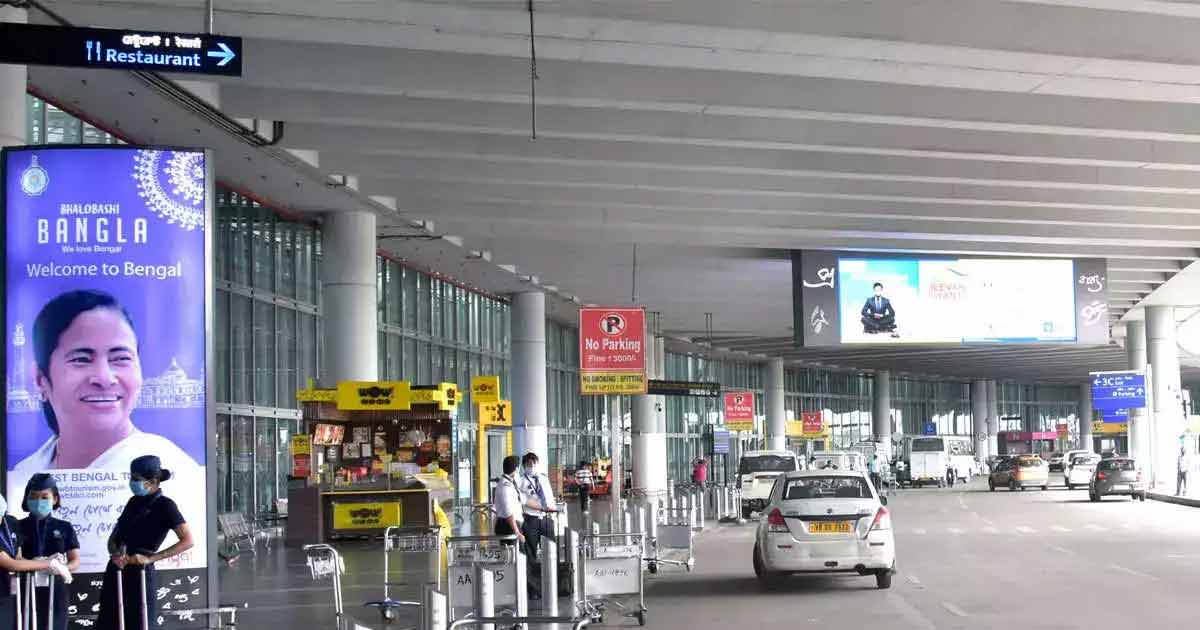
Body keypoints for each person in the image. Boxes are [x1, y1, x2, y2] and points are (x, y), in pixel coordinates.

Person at [98, 455, 194, 630]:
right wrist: (115, 552)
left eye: (137, 479)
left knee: (140, 621)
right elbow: (115, 535)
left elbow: (188, 540)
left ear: (154, 480)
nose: (132, 482)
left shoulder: (166, 505)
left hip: (140, 571)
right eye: (131, 478)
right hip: (117, 568)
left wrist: (151, 559)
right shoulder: (133, 502)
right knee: (109, 620)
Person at [19, 473, 80, 630]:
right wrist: (38, 563)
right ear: (27, 499)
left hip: (56, 586)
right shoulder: (17, 526)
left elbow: (75, 561)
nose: (39, 501)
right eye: (33, 496)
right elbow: (15, 559)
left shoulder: (64, 527)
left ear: (55, 499)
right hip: (25, 586)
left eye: (45, 497)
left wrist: (61, 568)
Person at [0, 491, 70, 627]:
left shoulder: (10, 522)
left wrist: (42, 560)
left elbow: (18, 558)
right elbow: (10, 564)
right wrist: (47, 563)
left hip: (10, 593)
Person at [517, 452, 558, 564]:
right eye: (529, 464)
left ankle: (552, 574)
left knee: (551, 549)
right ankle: (532, 576)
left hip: (547, 518)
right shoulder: (521, 481)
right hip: (531, 519)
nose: (532, 466)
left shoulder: (544, 478)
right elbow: (523, 500)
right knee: (531, 551)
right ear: (524, 466)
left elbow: (549, 496)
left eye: (534, 463)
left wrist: (553, 512)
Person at [492, 455, 526, 547]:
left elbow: (523, 500)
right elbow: (507, 512)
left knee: (515, 556)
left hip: (511, 524)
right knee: (512, 556)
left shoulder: (510, 483)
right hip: (509, 526)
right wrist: (517, 532)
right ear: (516, 469)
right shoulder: (505, 486)